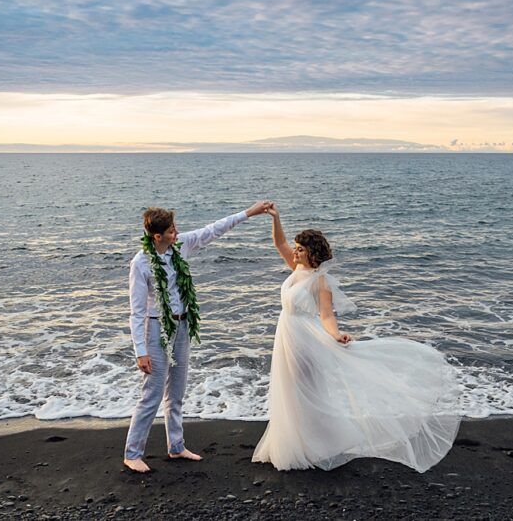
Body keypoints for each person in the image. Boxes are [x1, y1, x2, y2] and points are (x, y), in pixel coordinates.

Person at [252, 205, 461, 472]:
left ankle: (314, 445)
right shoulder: (295, 268)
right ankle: (293, 443)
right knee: (288, 392)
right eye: (296, 247)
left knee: (304, 392)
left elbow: (327, 316)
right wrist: (276, 218)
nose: (294, 251)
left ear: (313, 253)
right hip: (286, 335)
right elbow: (278, 242)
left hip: (304, 341)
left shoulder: (320, 282)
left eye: (301, 248)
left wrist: (336, 334)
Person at [123, 201, 272, 473]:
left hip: (182, 326)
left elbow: (213, 230)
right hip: (156, 327)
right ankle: (133, 453)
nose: (177, 232)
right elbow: (136, 312)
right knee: (152, 393)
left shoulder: (180, 247)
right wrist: (140, 351)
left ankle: (176, 446)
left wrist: (249, 212)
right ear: (157, 236)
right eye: (171, 230)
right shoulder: (141, 262)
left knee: (177, 390)